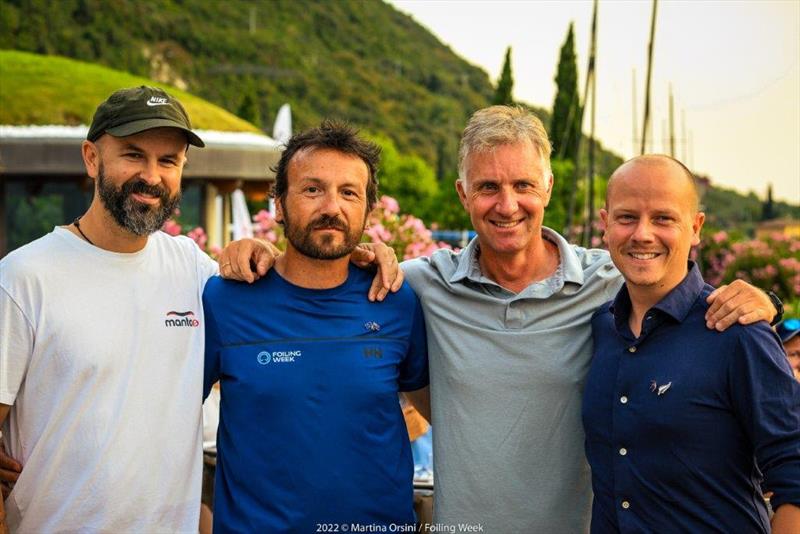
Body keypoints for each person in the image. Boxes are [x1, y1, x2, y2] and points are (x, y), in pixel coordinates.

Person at [219, 106, 778, 532]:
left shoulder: (609, 283)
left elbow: (669, 265)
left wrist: (765, 300)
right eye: (488, 187)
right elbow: (336, 272)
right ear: (464, 194)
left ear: (548, 189)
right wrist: (259, 252)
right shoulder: (417, 285)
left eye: (523, 186)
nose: (506, 204)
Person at [0, 87, 399, 533]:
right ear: (92, 158)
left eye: (168, 160)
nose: (152, 176)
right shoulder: (23, 278)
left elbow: (270, 271)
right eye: (134, 155)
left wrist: (362, 254)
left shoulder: (192, 270)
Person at [202, 121, 429, 532]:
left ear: (369, 210)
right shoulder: (225, 301)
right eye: (312, 189)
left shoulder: (396, 300)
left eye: (349, 193)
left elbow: (439, 412)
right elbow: (169, 420)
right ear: (279, 205)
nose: (332, 207)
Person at [582, 155, 800, 533]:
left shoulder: (737, 331)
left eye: (663, 218)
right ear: (605, 225)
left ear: (696, 227)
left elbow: (794, 465)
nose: (643, 234)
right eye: (627, 217)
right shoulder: (601, 327)